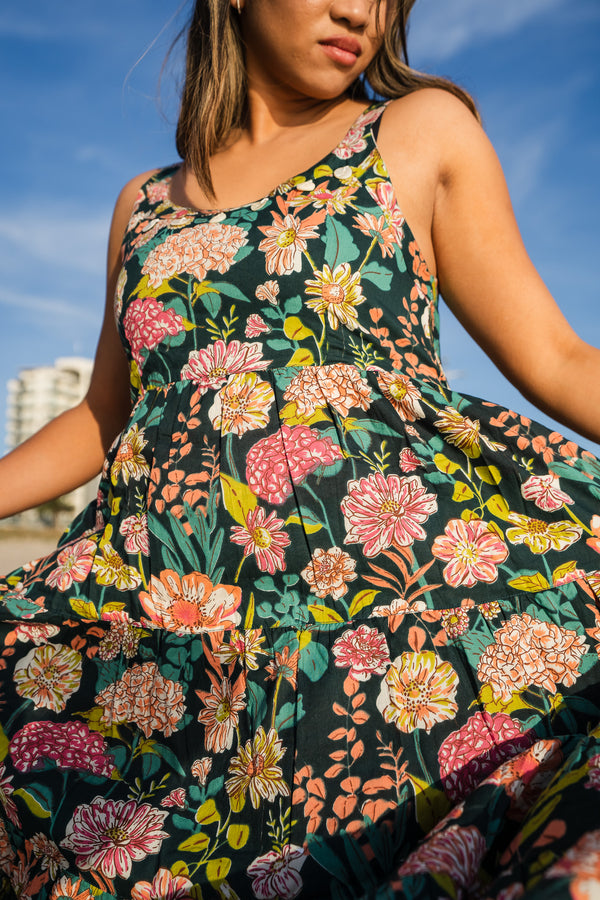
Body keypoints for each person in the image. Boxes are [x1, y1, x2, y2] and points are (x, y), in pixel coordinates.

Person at [1, 0, 600, 897]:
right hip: (168, 641)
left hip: (377, 627)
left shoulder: (418, 130)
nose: (359, 10)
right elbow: (102, 417)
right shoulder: (143, 205)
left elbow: (555, 358)